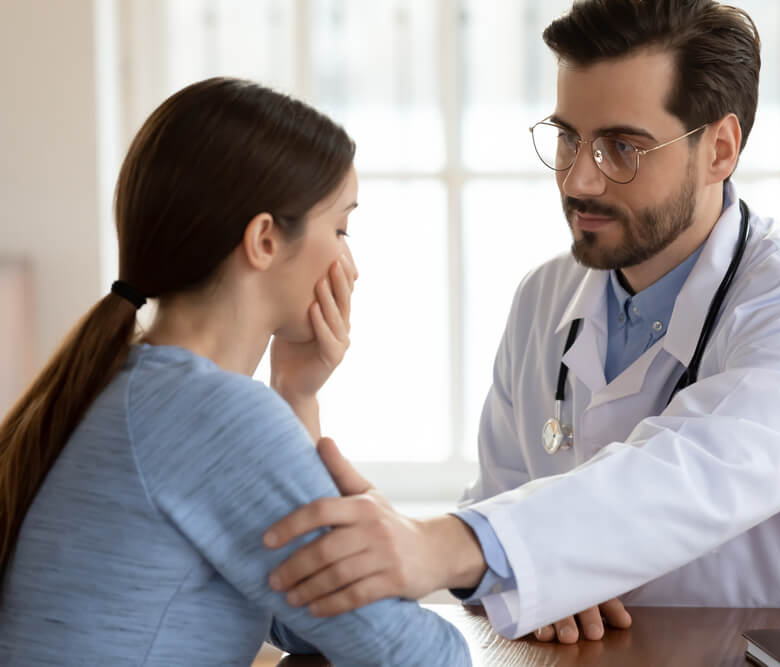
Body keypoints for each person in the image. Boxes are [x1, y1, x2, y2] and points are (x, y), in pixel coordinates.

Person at [261, 0, 780, 644]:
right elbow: (510, 530)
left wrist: (449, 545)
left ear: (720, 149)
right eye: (569, 137)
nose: (579, 180)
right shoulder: (545, 299)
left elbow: (688, 473)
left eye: (622, 148)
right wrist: (530, 575)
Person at [0, 77, 471, 666]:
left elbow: (308, 621)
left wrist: (296, 395)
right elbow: (416, 656)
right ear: (265, 240)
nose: (351, 263)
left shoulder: (126, 384)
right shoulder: (211, 414)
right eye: (341, 228)